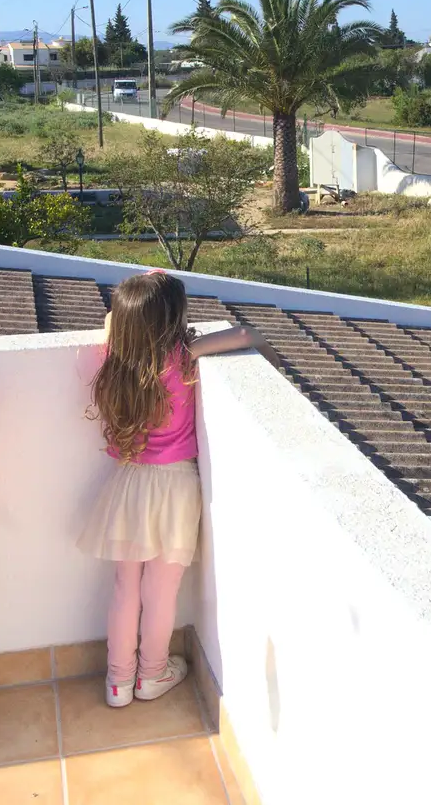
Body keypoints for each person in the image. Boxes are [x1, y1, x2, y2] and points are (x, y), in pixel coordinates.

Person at [76, 270, 277, 707]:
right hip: (175, 487)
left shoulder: (116, 359)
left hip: (129, 484)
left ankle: (117, 681)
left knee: (125, 588)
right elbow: (245, 333)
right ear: (172, 318)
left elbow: (114, 323)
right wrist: (273, 359)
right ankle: (152, 674)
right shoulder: (183, 357)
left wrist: (138, 291)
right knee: (161, 591)